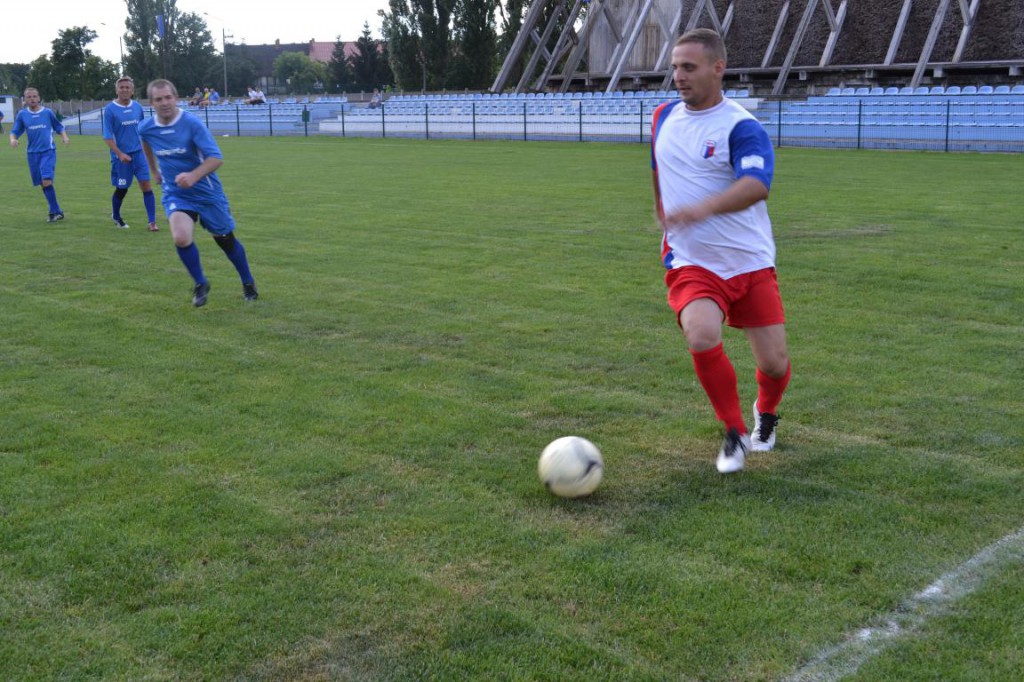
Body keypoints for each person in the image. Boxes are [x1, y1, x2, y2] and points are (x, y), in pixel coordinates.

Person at [650, 28, 791, 474]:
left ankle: (764, 414)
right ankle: (734, 434)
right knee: (701, 333)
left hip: (749, 261)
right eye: (674, 67)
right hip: (693, 260)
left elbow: (755, 186)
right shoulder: (661, 117)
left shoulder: (742, 126)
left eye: (688, 67)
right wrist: (667, 215)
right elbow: (660, 168)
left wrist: (701, 209)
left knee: (775, 363)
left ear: (718, 68)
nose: (678, 76)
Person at [139, 79, 259, 307]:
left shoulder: (192, 124)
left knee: (225, 240)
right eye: (158, 99)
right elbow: (145, 142)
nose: (164, 103)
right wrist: (154, 170)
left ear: (176, 98)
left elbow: (216, 158)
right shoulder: (146, 127)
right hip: (177, 194)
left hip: (207, 194)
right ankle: (200, 283)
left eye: (168, 97)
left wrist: (193, 176)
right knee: (181, 237)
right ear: (151, 103)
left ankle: (248, 281)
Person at [102, 77, 159, 231]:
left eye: (128, 87)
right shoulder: (110, 110)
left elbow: (142, 131)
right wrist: (120, 154)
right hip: (121, 158)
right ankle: (116, 216)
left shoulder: (138, 107)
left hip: (139, 154)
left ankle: (152, 222)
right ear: (116, 90)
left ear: (132, 90)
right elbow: (107, 137)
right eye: (122, 87)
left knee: (146, 185)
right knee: (122, 189)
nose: (125, 89)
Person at [9, 87, 70, 222]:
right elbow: (15, 131)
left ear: (39, 98)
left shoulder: (47, 113)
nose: (32, 99)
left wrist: (64, 137)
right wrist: (13, 139)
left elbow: (59, 126)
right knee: (42, 183)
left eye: (34, 96)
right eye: (29, 97)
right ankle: (57, 211)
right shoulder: (22, 115)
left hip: (48, 152)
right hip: (32, 154)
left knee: (47, 180)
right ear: (24, 100)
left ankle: (53, 212)